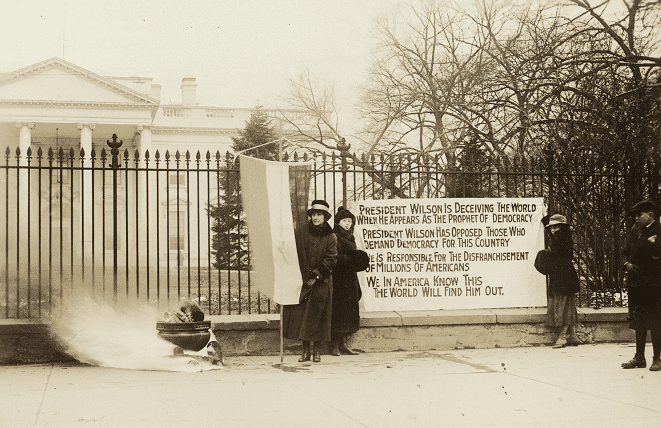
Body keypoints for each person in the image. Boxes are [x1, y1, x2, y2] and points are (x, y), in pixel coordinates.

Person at [282, 199, 337, 363]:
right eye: (313, 214)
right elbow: (295, 253)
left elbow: (331, 259)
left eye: (319, 214)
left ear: (325, 217)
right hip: (303, 282)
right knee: (303, 317)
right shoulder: (301, 234)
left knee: (319, 316)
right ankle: (305, 351)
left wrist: (317, 275)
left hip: (322, 282)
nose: (315, 217)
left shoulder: (331, 236)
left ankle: (317, 351)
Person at [621, 200, 661, 371]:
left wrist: (644, 236)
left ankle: (657, 358)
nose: (636, 218)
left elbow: (655, 253)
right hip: (636, 284)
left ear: (650, 215)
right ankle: (639, 357)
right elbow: (624, 252)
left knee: (656, 321)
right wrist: (626, 264)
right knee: (638, 322)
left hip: (653, 285)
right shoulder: (635, 231)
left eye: (639, 215)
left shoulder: (658, 230)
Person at [329, 206, 370, 356]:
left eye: (349, 221)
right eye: (344, 221)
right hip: (339, 279)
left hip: (350, 279)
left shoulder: (349, 236)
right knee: (338, 312)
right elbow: (333, 257)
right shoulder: (334, 236)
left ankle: (343, 344)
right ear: (338, 222)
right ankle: (334, 345)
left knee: (348, 312)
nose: (347, 224)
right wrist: (350, 259)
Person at [536, 214, 581, 348]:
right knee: (568, 306)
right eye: (551, 227)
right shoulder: (561, 236)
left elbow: (557, 254)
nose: (553, 229)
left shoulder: (562, 237)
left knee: (563, 308)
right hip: (563, 276)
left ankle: (562, 338)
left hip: (563, 277)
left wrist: (545, 253)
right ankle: (573, 336)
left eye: (556, 226)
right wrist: (546, 221)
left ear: (561, 227)